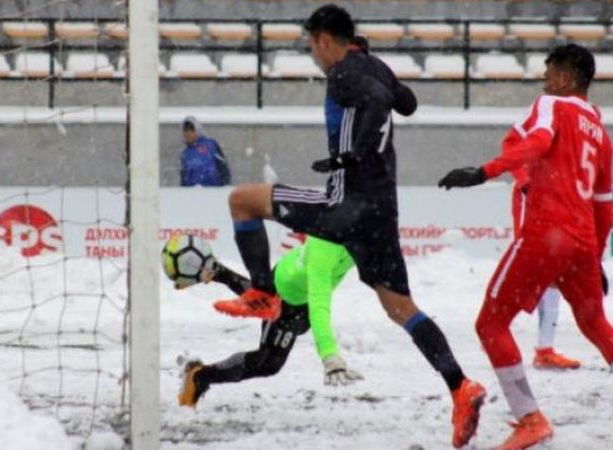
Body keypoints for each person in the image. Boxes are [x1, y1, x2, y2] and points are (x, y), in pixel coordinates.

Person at [213, 5, 485, 448]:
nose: (314, 57)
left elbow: (378, 103)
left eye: (312, 47)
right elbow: (407, 103)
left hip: (345, 202)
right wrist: (384, 95)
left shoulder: (342, 72)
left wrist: (350, 156)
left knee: (241, 201)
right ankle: (460, 386)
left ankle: (262, 291)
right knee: (401, 308)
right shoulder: (375, 65)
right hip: (382, 210)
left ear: (325, 39)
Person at [438, 44, 613, 449]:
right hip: (581, 239)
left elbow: (537, 142)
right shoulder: (601, 133)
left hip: (547, 232)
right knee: (597, 324)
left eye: (548, 74)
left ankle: (531, 419)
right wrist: (594, 261)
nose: (543, 82)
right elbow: (604, 205)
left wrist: (484, 171)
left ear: (563, 79)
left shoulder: (551, 105)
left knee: (490, 324)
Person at [178, 236, 363, 408]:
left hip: (296, 282)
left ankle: (222, 273)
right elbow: (319, 309)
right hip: (289, 295)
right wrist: (330, 356)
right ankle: (199, 377)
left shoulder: (359, 236)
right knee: (267, 363)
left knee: (293, 322)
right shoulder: (326, 250)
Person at [507, 142, 581, 371]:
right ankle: (495, 329)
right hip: (533, 203)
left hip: (551, 205)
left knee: (550, 275)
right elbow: (513, 153)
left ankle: (543, 349)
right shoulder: (544, 126)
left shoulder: (570, 135)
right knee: (530, 272)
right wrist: (526, 182)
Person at [179, 116, 231, 187]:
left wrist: (225, 186)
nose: (188, 134)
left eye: (191, 130)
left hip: (214, 191)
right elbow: (184, 180)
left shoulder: (211, 145)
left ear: (197, 130)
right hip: (193, 194)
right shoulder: (184, 155)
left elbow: (223, 167)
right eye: (186, 131)